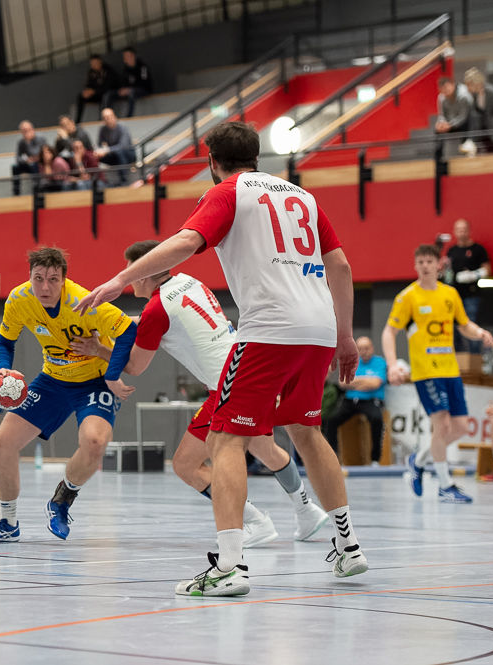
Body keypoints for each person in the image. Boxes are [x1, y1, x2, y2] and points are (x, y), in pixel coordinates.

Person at [77, 121, 370, 595]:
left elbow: (185, 243)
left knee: (225, 438)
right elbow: (340, 265)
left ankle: (230, 566)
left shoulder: (228, 191)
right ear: (256, 155)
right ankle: (349, 546)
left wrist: (118, 280)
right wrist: (345, 335)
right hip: (318, 328)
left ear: (212, 160)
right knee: (307, 432)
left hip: (269, 329)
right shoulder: (303, 196)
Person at [70, 240, 330, 546]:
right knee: (265, 449)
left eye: (131, 269)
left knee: (185, 465)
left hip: (228, 388)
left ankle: (255, 522)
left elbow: (134, 366)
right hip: (252, 372)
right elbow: (164, 321)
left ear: (144, 272)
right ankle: (306, 511)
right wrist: (124, 325)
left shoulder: (157, 309)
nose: (128, 276)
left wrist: (99, 350)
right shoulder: (188, 282)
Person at [0, 246, 137, 544]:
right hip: (52, 380)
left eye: (52, 279)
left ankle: (61, 500)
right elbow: (5, 343)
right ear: (30, 277)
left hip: (94, 382)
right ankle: (8, 523)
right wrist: (3, 368)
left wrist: (112, 373)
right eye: (38, 278)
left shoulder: (86, 302)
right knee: (1, 444)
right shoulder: (19, 299)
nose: (45, 287)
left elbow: (127, 331)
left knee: (95, 443)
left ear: (64, 280)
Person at [382, 244, 493, 504]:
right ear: (415, 265)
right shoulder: (407, 297)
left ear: (438, 265)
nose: (425, 266)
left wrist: (480, 332)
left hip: (450, 369)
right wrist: (392, 364)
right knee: (442, 425)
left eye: (429, 261)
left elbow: (464, 325)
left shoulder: (450, 294)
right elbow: (389, 331)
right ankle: (445, 486)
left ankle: (418, 461)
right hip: (426, 371)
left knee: (462, 427)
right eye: (420, 261)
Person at [322, 337, 387, 464]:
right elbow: (343, 383)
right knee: (330, 420)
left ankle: (375, 459)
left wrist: (354, 382)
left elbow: (375, 384)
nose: (364, 351)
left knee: (377, 419)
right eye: (360, 349)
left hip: (371, 400)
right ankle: (334, 457)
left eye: (366, 348)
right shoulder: (351, 362)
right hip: (350, 400)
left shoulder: (380, 362)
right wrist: (366, 380)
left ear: (372, 348)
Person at [442, 219, 490, 353]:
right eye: (459, 230)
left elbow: (487, 269)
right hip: (454, 295)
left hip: (471, 295)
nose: (461, 233)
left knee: (471, 324)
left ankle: (475, 357)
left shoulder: (477, 249)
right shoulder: (451, 251)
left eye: (464, 230)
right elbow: (448, 273)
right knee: (454, 328)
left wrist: (472, 275)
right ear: (454, 232)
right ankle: (459, 358)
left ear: (469, 231)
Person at [463, 68, 493, 153]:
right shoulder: (474, 94)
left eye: (469, 85)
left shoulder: (491, 92)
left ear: (476, 83)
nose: (468, 89)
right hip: (481, 126)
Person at [104, 47, 152, 118]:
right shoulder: (126, 69)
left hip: (143, 89)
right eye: (124, 56)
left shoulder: (142, 67)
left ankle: (129, 117)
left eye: (127, 56)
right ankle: (107, 116)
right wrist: (123, 89)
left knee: (131, 93)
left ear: (133, 56)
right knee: (109, 95)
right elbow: (125, 82)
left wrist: (129, 89)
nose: (125, 59)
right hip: (129, 90)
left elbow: (144, 83)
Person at [95, 108, 135, 184]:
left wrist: (106, 151)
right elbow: (99, 144)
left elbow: (123, 146)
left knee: (120, 152)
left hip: (128, 154)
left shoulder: (123, 128)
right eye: (105, 118)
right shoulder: (103, 129)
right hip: (113, 155)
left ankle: (124, 181)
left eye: (109, 117)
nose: (107, 119)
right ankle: (100, 182)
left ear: (114, 117)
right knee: (94, 155)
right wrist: (99, 152)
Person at [75, 53, 116, 123]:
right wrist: (87, 91)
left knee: (106, 96)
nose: (93, 65)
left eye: (94, 63)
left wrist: (94, 91)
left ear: (100, 62)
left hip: (106, 93)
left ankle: (103, 119)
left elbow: (107, 87)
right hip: (95, 95)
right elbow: (89, 84)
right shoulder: (91, 72)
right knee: (80, 96)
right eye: (91, 64)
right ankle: (78, 121)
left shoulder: (108, 71)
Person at [11, 120, 46, 196]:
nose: (27, 132)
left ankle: (37, 190)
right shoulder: (21, 142)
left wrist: (28, 142)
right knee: (15, 167)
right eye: (24, 131)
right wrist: (26, 160)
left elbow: (37, 153)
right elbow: (18, 158)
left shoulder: (40, 139)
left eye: (29, 129)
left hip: (38, 163)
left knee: (33, 165)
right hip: (27, 163)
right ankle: (16, 193)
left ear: (32, 129)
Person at [435, 77, 473, 141]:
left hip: (464, 121)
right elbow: (442, 114)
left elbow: (463, 116)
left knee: (467, 124)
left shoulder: (463, 96)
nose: (445, 91)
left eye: (447, 88)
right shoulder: (441, 97)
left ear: (453, 85)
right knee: (437, 130)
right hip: (449, 122)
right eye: (443, 90)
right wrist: (441, 123)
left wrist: (450, 125)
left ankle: (465, 144)